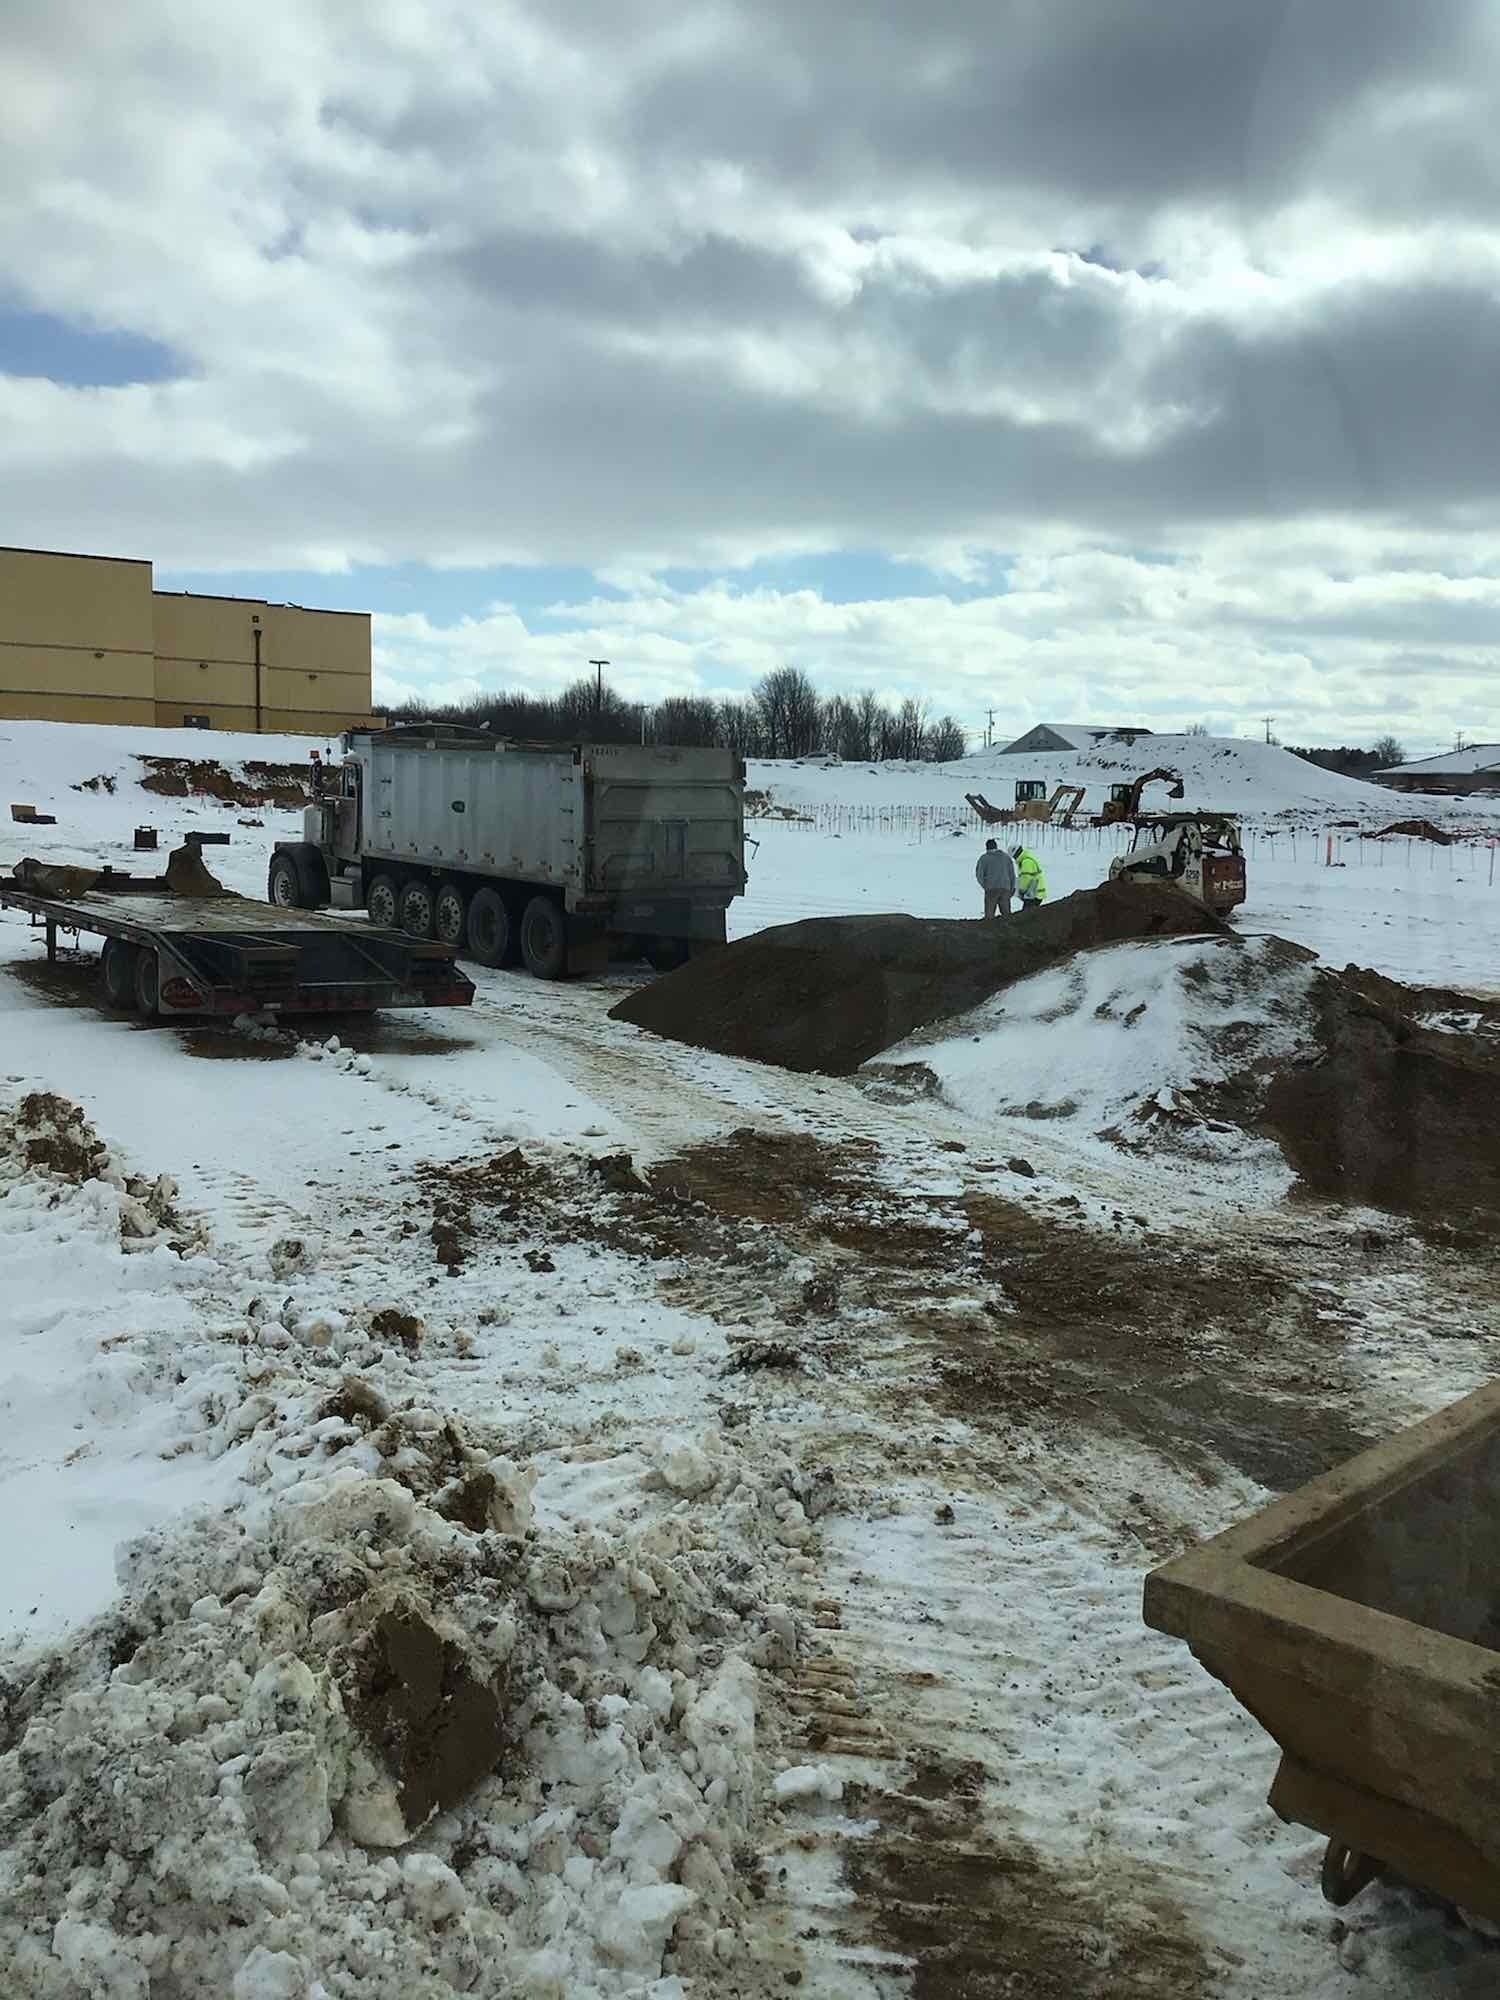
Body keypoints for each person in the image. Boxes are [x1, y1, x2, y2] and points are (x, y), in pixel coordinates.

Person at [975, 837, 1017, 918]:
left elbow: (979, 875)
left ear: (987, 847)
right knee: (1007, 916)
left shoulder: (984, 858)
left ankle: (989, 929)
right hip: (1005, 888)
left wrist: (986, 886)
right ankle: (1008, 929)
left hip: (991, 889)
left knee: (989, 917)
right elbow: (1012, 874)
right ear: (996, 847)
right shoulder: (1006, 857)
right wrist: (1012, 889)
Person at [1011, 843, 1047, 910]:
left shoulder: (1026, 862)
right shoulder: (1026, 860)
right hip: (1035, 893)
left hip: (1034, 894)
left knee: (1026, 915)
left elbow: (1026, 878)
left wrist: (1021, 890)